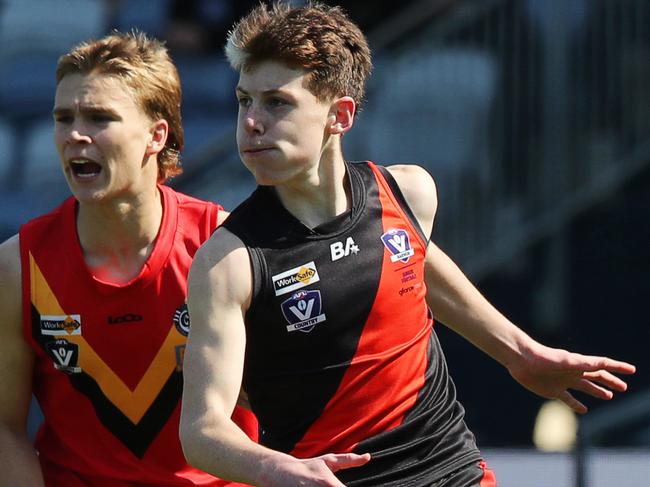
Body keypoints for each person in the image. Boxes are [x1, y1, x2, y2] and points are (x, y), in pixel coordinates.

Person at [178, 3, 636, 486]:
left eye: (277, 103)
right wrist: (282, 470)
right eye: (243, 100)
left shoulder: (408, 193)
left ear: (340, 115)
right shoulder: (228, 262)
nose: (251, 122)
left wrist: (520, 353)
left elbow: (413, 265)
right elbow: (203, 430)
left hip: (455, 473)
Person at [0, 31, 257, 486]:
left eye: (99, 118)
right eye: (64, 117)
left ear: (156, 136)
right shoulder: (17, 266)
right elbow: (4, 427)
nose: (75, 134)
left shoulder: (227, 246)